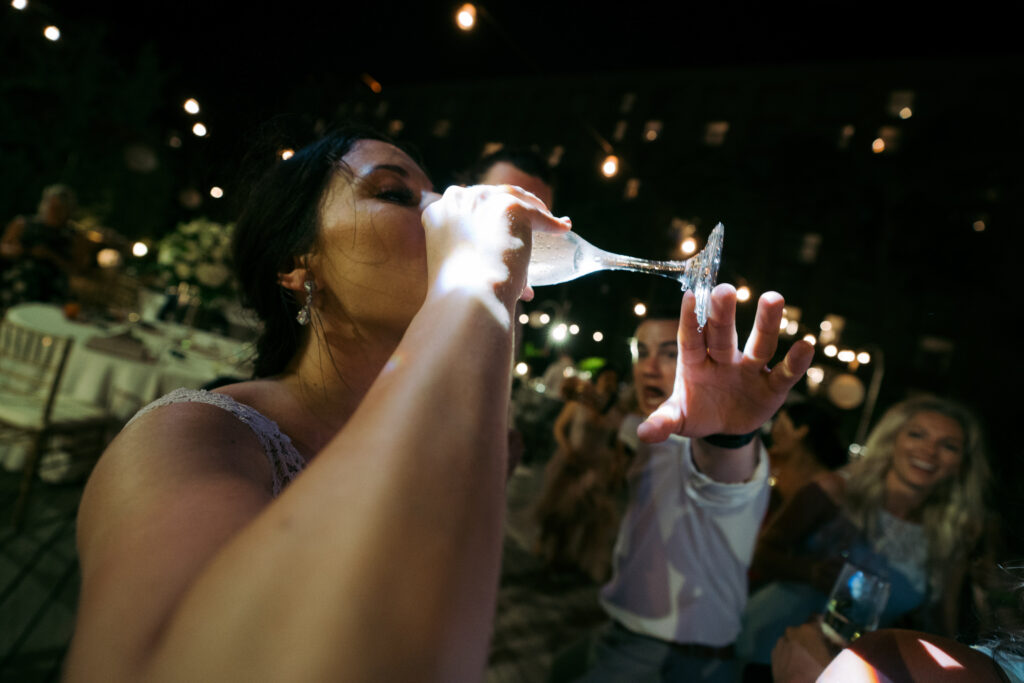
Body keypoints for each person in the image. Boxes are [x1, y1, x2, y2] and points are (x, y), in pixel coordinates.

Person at [63, 125, 811, 682]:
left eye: (440, 199)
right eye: (394, 193)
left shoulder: (473, 431)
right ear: (299, 266)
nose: (445, 217)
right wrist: (472, 284)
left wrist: (728, 440)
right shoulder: (194, 436)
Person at [551, 298, 815, 682]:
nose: (649, 368)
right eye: (642, 352)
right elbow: (619, 423)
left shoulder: (709, 449)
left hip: (674, 660)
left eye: (669, 353)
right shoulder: (649, 433)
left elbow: (722, 472)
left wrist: (731, 433)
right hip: (622, 632)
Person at [736, 395, 992, 671]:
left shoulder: (954, 530)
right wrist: (810, 572)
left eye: (948, 446)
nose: (929, 451)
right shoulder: (834, 490)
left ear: (962, 463)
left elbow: (943, 618)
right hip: (767, 651)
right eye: (917, 435)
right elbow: (760, 553)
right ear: (892, 439)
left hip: (855, 669)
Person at [532, 366, 627, 582]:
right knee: (556, 509)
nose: (609, 383)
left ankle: (568, 556)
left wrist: (617, 466)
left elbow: (617, 444)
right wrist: (566, 449)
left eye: (613, 379)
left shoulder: (615, 414)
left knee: (584, 514)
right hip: (571, 461)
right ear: (598, 380)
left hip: (594, 467)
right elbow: (559, 427)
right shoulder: (578, 403)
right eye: (606, 377)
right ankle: (547, 541)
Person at [762, 399, 847, 526]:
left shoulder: (826, 487)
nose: (773, 432)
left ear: (801, 431)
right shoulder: (768, 464)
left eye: (780, 424)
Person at [1, 183, 88, 309]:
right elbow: (3, 247)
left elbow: (77, 269)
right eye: (52, 207)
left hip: (52, 291)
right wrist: (20, 251)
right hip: (18, 282)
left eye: (60, 209)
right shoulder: (23, 223)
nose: (55, 212)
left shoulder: (73, 236)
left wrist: (50, 255)